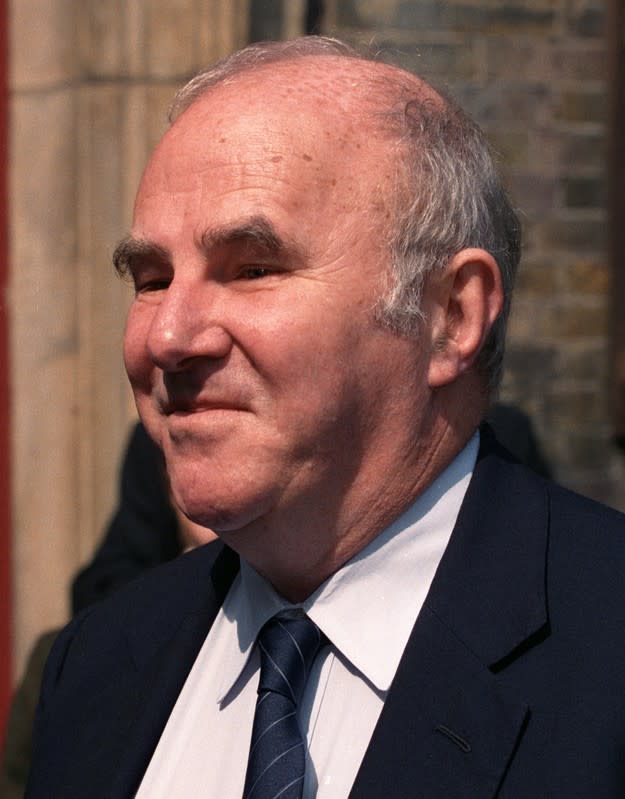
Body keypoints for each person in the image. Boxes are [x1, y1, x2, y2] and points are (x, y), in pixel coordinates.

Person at [26, 36, 625, 798]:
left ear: (449, 315)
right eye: (150, 278)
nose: (166, 337)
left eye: (252, 269)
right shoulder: (99, 668)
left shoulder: (604, 648)